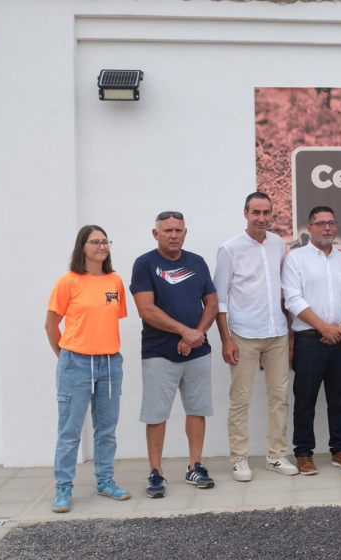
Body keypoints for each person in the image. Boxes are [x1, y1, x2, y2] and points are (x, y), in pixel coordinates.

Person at [131, 211, 218, 498]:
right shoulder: (145, 264)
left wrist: (196, 335)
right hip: (159, 352)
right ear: (155, 234)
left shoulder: (197, 262)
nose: (173, 235)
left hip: (197, 351)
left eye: (178, 230)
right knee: (156, 414)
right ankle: (156, 473)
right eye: (167, 230)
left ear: (185, 232)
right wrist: (185, 332)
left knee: (197, 409)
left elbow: (212, 303)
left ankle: (195, 466)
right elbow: (147, 310)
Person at [214, 192, 299, 481]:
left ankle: (276, 456)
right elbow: (220, 299)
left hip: (276, 333)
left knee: (279, 397)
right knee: (241, 399)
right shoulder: (229, 249)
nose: (261, 218)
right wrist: (226, 339)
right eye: (256, 213)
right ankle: (239, 459)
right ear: (246, 213)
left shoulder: (277, 244)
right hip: (243, 335)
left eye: (266, 213)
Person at [45, 225, 130, 513]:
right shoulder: (68, 282)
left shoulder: (115, 281)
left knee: (106, 429)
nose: (102, 246)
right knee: (69, 431)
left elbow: (110, 320)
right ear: (82, 246)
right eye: (95, 242)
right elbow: (51, 325)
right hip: (76, 363)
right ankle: (63, 489)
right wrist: (65, 358)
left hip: (109, 363)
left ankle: (105, 481)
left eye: (105, 241)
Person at [281, 206, 341, 475]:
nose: (327, 228)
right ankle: (303, 453)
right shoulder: (296, 259)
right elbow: (292, 299)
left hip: (340, 338)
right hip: (309, 341)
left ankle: (340, 451)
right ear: (310, 228)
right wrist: (323, 328)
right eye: (321, 223)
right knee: (305, 400)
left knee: (340, 399)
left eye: (331, 223)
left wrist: (340, 328)